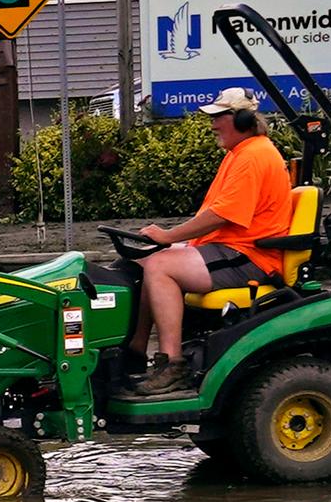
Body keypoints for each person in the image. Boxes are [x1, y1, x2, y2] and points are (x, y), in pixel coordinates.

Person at [126, 87, 296, 398]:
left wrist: (170, 236)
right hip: (230, 248)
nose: (213, 124)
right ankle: (135, 351)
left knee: (160, 266)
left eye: (219, 117)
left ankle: (172, 364)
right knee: (142, 261)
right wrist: (169, 240)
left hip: (251, 256)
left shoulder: (254, 156)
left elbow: (222, 215)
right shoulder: (240, 153)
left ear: (242, 120)